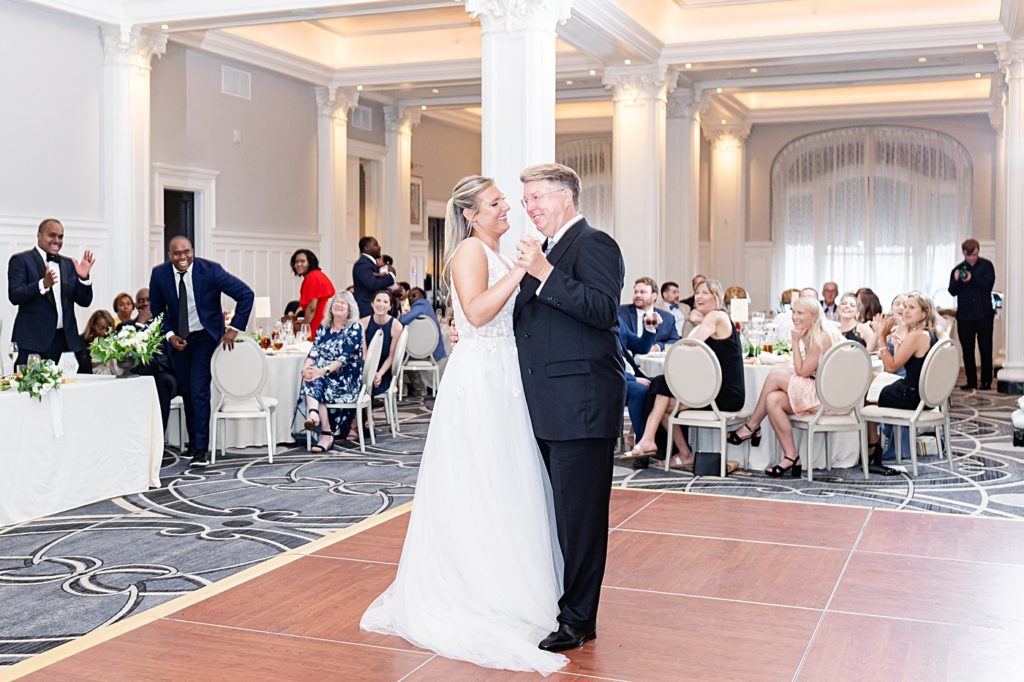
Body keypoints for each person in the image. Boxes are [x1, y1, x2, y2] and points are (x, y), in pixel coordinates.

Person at [361, 174, 570, 675]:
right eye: (496, 203)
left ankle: (511, 581)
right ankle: (479, 589)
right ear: (471, 215)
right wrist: (522, 271)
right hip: (481, 380)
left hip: (505, 374)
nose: (507, 209)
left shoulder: (494, 254)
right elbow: (476, 313)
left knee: (508, 481)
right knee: (482, 480)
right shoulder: (471, 252)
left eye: (505, 202)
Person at [513, 163, 625, 653]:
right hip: (547, 405)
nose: (530, 208)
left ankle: (578, 619)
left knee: (580, 521)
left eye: (538, 197)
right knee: (561, 516)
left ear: (566, 197)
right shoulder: (551, 252)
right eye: (526, 201)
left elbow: (602, 310)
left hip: (582, 405)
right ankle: (573, 608)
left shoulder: (595, 243)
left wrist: (544, 274)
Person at [148, 236, 254, 466]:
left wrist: (234, 329)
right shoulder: (159, 274)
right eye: (177, 253)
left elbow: (246, 294)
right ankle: (193, 442)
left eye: (186, 252)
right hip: (178, 339)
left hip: (205, 336)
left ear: (192, 251)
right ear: (169, 255)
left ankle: (201, 451)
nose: (183, 257)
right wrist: (169, 336)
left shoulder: (211, 271)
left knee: (198, 390)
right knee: (186, 391)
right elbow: (157, 310)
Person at [622, 278, 745, 470]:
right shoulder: (709, 319)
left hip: (727, 393)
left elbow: (688, 346)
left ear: (717, 297)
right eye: (697, 292)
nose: (699, 296)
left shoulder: (716, 317)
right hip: (712, 390)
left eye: (705, 292)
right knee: (662, 397)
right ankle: (677, 451)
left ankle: (648, 440)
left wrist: (694, 321)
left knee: (661, 385)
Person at [729, 296, 840, 478]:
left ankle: (751, 426)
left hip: (825, 396)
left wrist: (795, 341)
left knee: (774, 376)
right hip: (820, 391)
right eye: (794, 312)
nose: (794, 317)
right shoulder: (815, 333)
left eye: (800, 313)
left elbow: (802, 371)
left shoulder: (821, 338)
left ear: (813, 316)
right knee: (772, 400)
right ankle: (791, 457)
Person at [7, 218, 95, 364]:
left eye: (60, 237)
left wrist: (83, 279)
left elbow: (84, 301)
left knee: (69, 386)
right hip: (32, 343)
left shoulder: (68, 264)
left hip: (65, 343)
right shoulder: (21, 260)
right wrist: (42, 284)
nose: (57, 240)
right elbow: (15, 295)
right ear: (39, 235)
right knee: (30, 386)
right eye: (52, 235)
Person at [867, 292, 939, 459]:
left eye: (911, 308)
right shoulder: (930, 334)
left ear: (924, 313)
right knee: (874, 382)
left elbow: (891, 367)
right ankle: (882, 444)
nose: (905, 311)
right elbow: (911, 365)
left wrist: (882, 338)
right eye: (905, 307)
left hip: (911, 396)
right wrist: (898, 346)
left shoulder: (916, 336)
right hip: (925, 396)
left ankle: (873, 445)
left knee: (864, 392)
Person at [300, 291, 363, 452]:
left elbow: (344, 359)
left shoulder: (354, 328)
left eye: (344, 303)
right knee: (311, 377)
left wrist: (322, 371)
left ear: (350, 310)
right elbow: (314, 352)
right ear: (330, 306)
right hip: (325, 375)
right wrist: (307, 367)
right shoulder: (324, 326)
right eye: (336, 301)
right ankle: (320, 424)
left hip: (346, 378)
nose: (339, 304)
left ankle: (321, 425)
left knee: (315, 379)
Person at [948, 238, 995, 390]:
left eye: (974, 254)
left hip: (984, 315)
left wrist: (971, 278)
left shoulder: (987, 266)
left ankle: (986, 381)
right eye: (968, 255)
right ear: (963, 253)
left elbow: (988, 285)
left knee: (986, 348)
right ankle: (971, 381)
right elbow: (952, 291)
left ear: (978, 251)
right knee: (967, 351)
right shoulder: (958, 269)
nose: (971, 258)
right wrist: (957, 280)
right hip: (965, 317)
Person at [618, 276, 679, 376]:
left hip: (657, 368)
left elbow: (675, 340)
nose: (638, 295)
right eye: (636, 292)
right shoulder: (620, 313)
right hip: (629, 366)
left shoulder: (667, 318)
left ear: (654, 296)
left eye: (643, 292)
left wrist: (657, 347)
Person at [360, 290, 403, 397]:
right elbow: (364, 354)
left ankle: (366, 410)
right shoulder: (362, 323)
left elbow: (391, 356)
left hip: (384, 369)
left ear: (390, 307)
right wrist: (370, 372)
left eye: (385, 302)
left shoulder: (396, 326)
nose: (381, 304)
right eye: (378, 300)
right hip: (365, 366)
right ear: (372, 304)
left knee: (372, 385)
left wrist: (379, 374)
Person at [291, 249, 335, 338]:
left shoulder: (312, 277)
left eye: (302, 261)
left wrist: (304, 327)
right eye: (296, 262)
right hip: (326, 322)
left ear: (310, 263)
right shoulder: (317, 275)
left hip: (317, 324)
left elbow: (312, 308)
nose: (298, 264)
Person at [352, 237, 396, 317]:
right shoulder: (362, 264)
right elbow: (373, 284)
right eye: (376, 245)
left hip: (374, 310)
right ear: (366, 248)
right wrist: (391, 276)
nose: (379, 247)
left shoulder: (369, 263)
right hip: (367, 310)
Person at [76, 310, 115, 374]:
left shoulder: (112, 343)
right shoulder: (79, 343)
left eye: (108, 329)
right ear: (93, 325)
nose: (104, 332)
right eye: (101, 328)